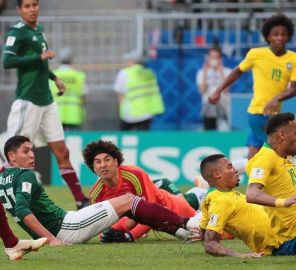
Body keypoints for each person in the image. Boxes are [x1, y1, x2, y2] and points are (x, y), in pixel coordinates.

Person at [0, 135, 193, 245]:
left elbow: (11, 211)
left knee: (129, 204)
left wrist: (12, 242)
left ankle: (183, 229)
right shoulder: (25, 175)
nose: (32, 155)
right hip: (67, 227)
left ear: (116, 161)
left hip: (66, 224)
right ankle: (189, 223)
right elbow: (23, 210)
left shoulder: (3, 179)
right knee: (128, 201)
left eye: (32, 150)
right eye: (26, 151)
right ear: (12, 156)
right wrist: (50, 239)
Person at [1, 0, 89, 209]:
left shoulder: (39, 30)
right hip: (28, 101)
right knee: (12, 154)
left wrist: (53, 77)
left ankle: (80, 200)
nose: (32, 9)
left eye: (34, 5)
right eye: (27, 6)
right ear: (19, 10)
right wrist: (37, 56)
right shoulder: (17, 32)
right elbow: (7, 60)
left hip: (46, 101)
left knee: (62, 151)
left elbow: (42, 63)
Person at [209, 13, 296, 159]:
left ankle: (207, 180)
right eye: (275, 34)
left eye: (283, 34)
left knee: (252, 159)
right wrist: (218, 91)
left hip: (274, 114)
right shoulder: (256, 54)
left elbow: (295, 88)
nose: (279, 37)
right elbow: (236, 72)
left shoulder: (294, 58)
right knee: (283, 152)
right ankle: (290, 182)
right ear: (268, 37)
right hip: (259, 113)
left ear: (288, 36)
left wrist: (276, 99)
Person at [83, 139, 197, 242]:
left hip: (176, 210)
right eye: (98, 162)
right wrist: (110, 234)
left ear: (116, 161)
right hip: (159, 226)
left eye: (107, 160)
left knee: (205, 231)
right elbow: (100, 229)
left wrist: (130, 234)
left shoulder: (134, 175)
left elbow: (151, 212)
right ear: (93, 167)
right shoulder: (95, 194)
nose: (103, 165)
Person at [113, 50, 165, 131]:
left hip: (129, 113)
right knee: (143, 140)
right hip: (146, 113)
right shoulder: (149, 73)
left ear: (131, 61)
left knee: (124, 139)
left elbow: (120, 95)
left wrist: (121, 109)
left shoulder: (124, 73)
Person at [49, 47, 88, 130]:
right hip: (75, 114)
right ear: (72, 59)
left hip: (56, 114)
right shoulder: (79, 75)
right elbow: (83, 96)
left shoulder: (52, 75)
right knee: (75, 140)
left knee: (58, 141)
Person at [196, 47, 232, 131]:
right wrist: (205, 73)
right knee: (210, 102)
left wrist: (221, 71)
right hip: (208, 107)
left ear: (220, 59)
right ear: (208, 58)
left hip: (223, 106)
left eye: (216, 57)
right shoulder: (201, 72)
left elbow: (226, 90)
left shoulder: (228, 71)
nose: (214, 60)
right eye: (212, 57)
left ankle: (223, 122)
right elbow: (202, 90)